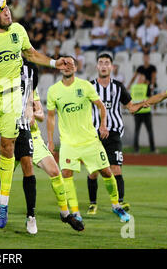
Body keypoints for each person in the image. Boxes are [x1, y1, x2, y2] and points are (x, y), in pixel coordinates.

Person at [0, 4, 73, 234]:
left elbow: (30, 53)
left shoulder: (18, 31)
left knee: (8, 151)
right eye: (3, 11)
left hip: (13, 104)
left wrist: (53, 62)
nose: (8, 12)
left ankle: (6, 205)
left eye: (8, 8)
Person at [0, 60, 84, 234]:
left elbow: (40, 113)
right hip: (11, 133)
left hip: (31, 136)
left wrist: (33, 112)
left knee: (54, 172)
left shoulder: (30, 82)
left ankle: (64, 213)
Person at [46, 55, 131, 223]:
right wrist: (50, 141)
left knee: (107, 172)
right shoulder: (53, 91)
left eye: (71, 64)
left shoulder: (85, 86)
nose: (67, 66)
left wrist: (103, 124)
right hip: (69, 143)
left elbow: (101, 106)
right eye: (64, 63)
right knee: (66, 173)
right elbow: (50, 117)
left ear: (76, 68)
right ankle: (75, 212)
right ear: (59, 67)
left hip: (90, 140)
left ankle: (116, 206)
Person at [86, 54, 144, 215]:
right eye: (101, 63)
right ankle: (93, 203)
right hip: (94, 134)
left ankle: (119, 202)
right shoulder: (89, 87)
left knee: (116, 168)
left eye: (107, 63)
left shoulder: (118, 87)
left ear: (112, 67)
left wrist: (144, 103)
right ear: (97, 67)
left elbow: (130, 107)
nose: (104, 66)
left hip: (113, 134)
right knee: (93, 171)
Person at [131, 73, 156, 153]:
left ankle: (136, 149)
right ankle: (152, 149)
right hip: (146, 111)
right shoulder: (146, 87)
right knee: (150, 131)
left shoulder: (133, 87)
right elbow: (150, 97)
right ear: (143, 80)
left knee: (136, 131)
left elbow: (132, 99)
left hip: (137, 111)